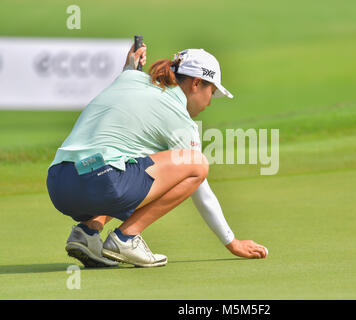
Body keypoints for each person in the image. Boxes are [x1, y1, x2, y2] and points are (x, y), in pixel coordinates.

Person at [46, 42, 268, 268]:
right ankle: (125, 239)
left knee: (134, 163)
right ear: (197, 83)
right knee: (197, 165)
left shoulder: (129, 78)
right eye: (211, 91)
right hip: (101, 183)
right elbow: (200, 187)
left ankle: (86, 232)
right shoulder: (179, 118)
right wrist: (232, 242)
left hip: (59, 183)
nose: (210, 101)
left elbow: (129, 73)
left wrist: (130, 63)